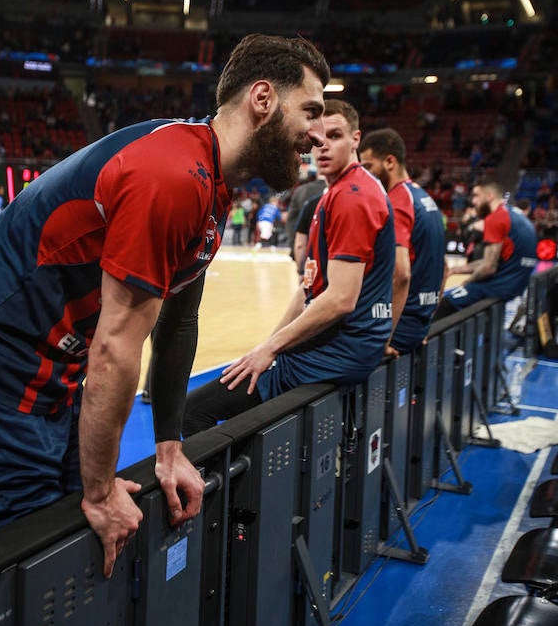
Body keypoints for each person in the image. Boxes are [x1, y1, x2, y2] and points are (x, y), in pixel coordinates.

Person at [0, 33, 329, 578]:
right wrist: (102, 491)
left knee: (63, 535)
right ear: (264, 98)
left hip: (55, 376)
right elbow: (114, 349)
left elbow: (179, 322)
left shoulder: (210, 179)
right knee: (5, 568)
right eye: (312, 111)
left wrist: (169, 445)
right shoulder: (173, 174)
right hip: (0, 379)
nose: (315, 135)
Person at [181, 99, 395, 437]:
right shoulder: (339, 192)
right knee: (240, 381)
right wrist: (267, 344)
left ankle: (228, 490)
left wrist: (270, 349)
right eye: (317, 139)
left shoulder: (352, 195)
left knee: (193, 411)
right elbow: (309, 289)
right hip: (346, 348)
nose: (323, 146)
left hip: (333, 355)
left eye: (335, 136)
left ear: (356, 139)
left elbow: (340, 299)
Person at [358, 128, 447, 355]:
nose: (365, 174)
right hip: (417, 323)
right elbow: (444, 268)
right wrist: (424, 323)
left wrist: (384, 340)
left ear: (389, 161)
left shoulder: (398, 200)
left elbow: (401, 274)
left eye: (368, 166)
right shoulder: (425, 198)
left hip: (400, 326)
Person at [435, 176, 538, 319]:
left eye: (476, 195)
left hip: (501, 287)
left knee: (445, 304)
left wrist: (467, 282)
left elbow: (488, 267)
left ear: (489, 196)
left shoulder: (496, 218)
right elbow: (491, 261)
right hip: (517, 282)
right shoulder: (514, 214)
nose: (473, 201)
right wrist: (456, 270)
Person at [285, 163, 326, 249]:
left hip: (305, 246)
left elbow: (291, 221)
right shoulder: (339, 191)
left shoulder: (301, 191)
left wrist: (294, 248)